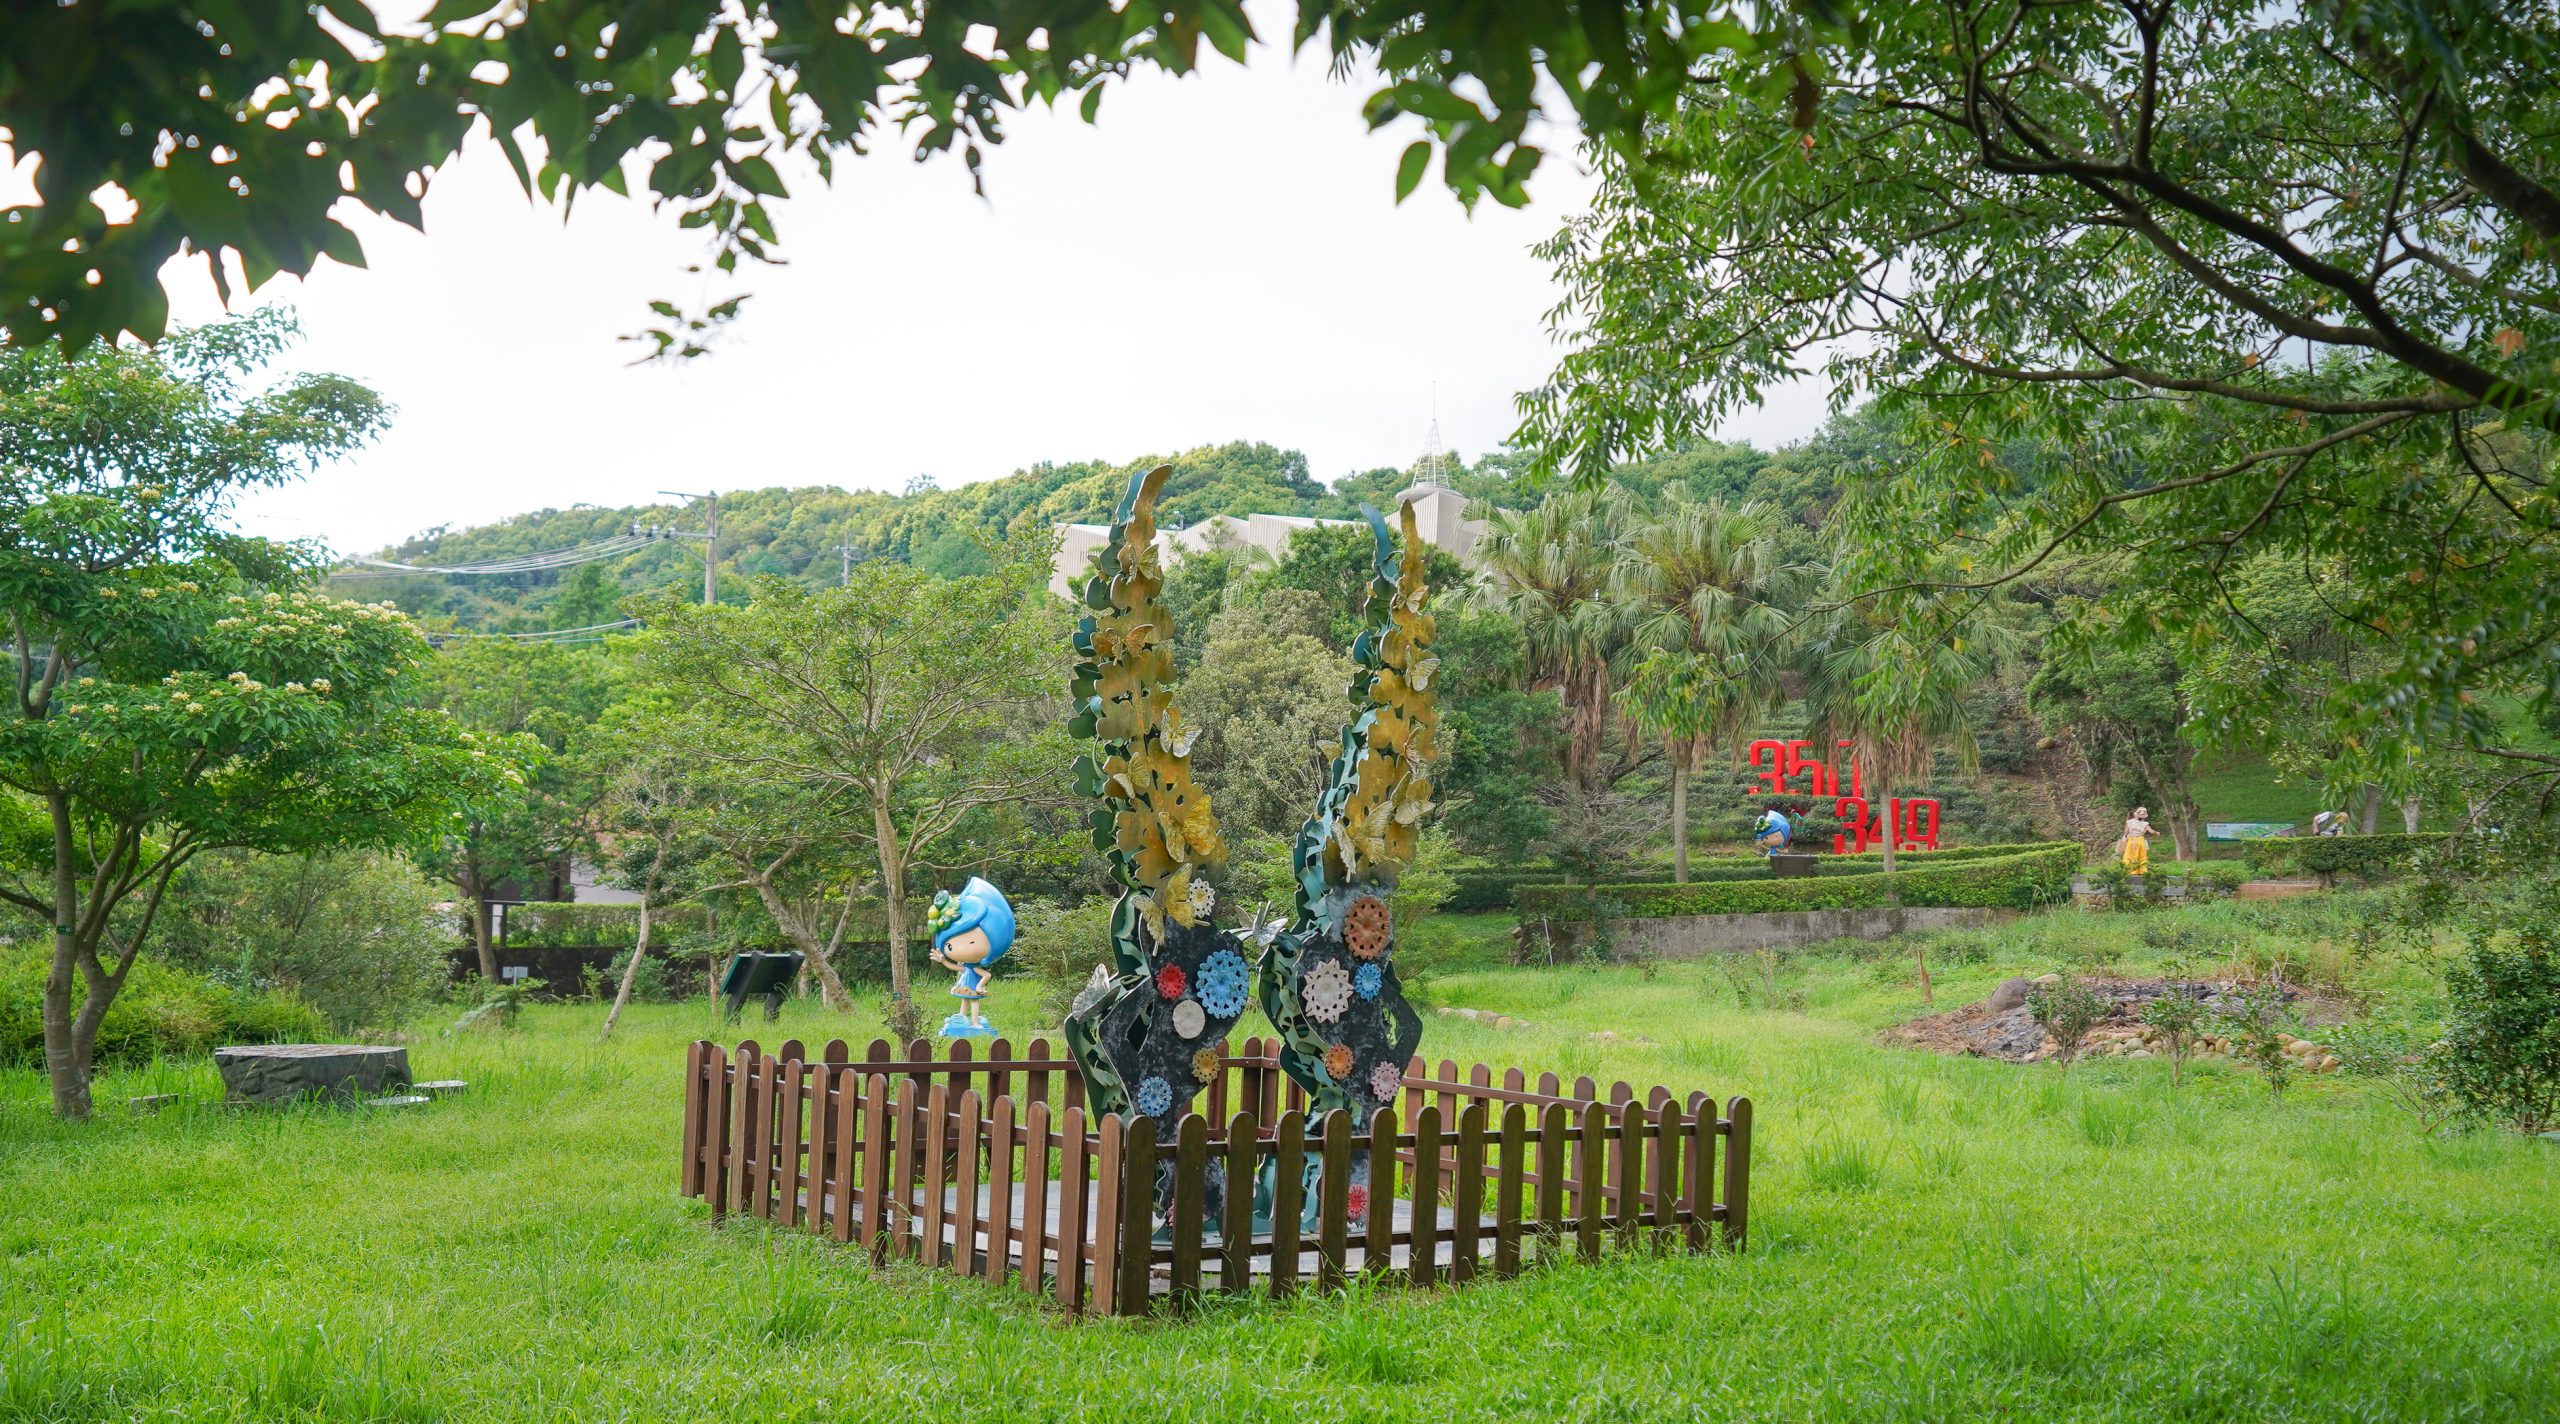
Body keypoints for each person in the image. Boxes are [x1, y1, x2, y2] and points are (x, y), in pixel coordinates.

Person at [927, 876, 1016, 1039]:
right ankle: (962, 1019)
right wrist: (943, 960)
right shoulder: (967, 967)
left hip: (973, 985)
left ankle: (974, 1022)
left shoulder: (975, 967)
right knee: (964, 1001)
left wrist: (980, 986)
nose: (961, 949)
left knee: (974, 1002)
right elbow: (956, 967)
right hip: (965, 984)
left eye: (971, 942)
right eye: (951, 946)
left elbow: (987, 974)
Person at [2121, 807, 2155, 876]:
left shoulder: (2130, 822)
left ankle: (2130, 870)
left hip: (2133, 840)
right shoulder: (2143, 823)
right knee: (2141, 855)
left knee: (2130, 855)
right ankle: (2142, 871)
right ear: (2134, 814)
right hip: (2138, 840)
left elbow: (2126, 832)